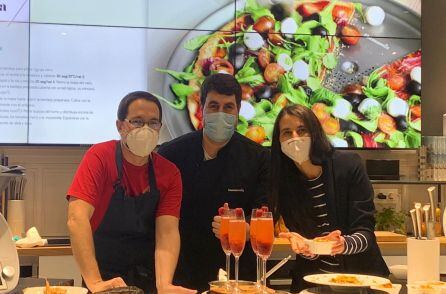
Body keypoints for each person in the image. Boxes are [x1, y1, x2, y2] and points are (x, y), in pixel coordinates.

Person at [66, 91, 196, 294]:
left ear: (160, 128)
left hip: (148, 278)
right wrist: (95, 282)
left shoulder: (169, 173)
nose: (146, 129)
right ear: (120, 126)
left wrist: (164, 285)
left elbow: (167, 232)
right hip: (104, 279)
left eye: (153, 123)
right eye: (137, 121)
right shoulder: (100, 157)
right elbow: (77, 219)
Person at [158, 74, 270, 292]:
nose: (221, 113)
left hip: (239, 277)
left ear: (238, 112)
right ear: (202, 109)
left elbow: (265, 214)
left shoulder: (259, 158)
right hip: (182, 272)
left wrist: (246, 229)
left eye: (228, 107)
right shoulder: (171, 154)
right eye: (214, 106)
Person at [269, 104, 390, 292]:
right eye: (286, 132)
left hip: (362, 283)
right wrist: (306, 247)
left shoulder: (349, 166)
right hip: (313, 286)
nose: (295, 138)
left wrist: (342, 244)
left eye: (302, 130)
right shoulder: (283, 182)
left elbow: (366, 234)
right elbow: (308, 247)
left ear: (315, 132)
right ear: (278, 141)